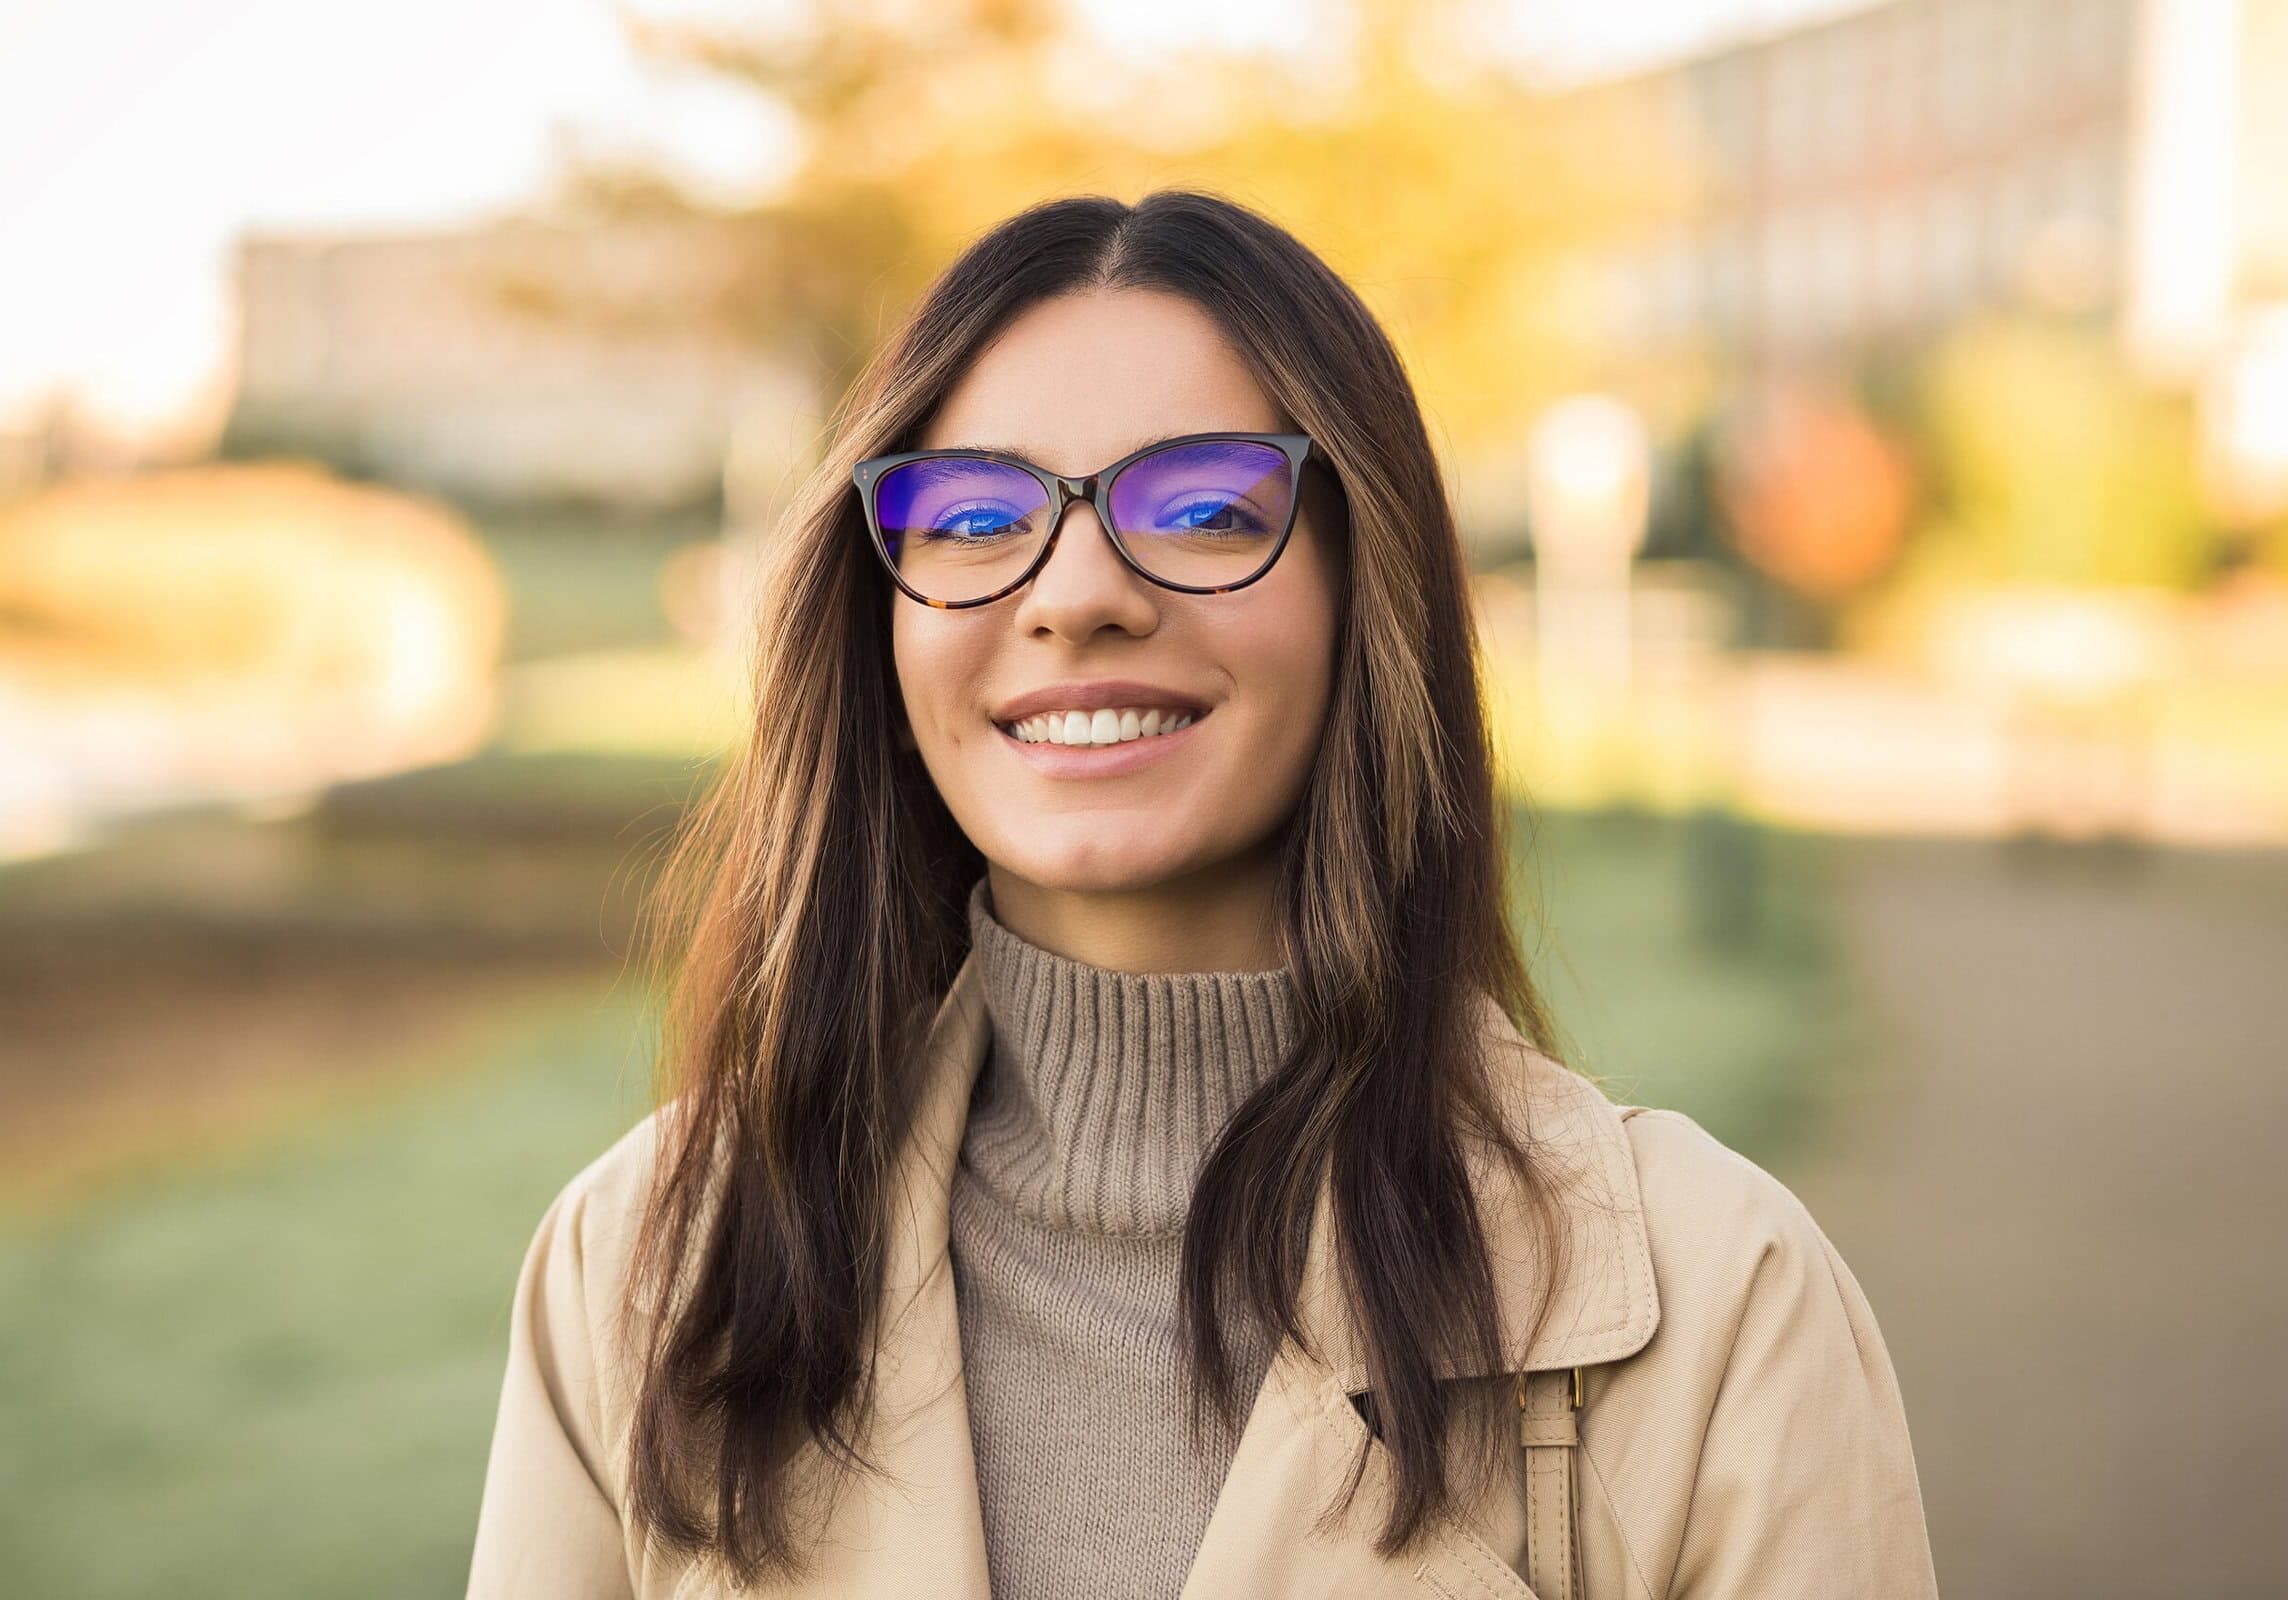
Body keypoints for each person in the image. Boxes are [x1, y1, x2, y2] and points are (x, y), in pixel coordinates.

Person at [465, 190, 1941, 1599]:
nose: (1075, 591)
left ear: (1371, 590)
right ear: (884, 619)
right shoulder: (650, 1268)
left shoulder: (1718, 1303)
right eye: (976, 519)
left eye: (1207, 506)